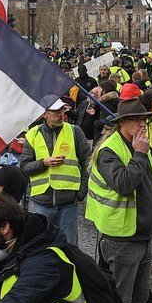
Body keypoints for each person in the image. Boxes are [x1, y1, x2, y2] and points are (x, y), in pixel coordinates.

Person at [85, 96, 152, 303]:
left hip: (141, 235)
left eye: (145, 119)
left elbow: (146, 183)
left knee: (139, 299)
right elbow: (123, 184)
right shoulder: (110, 150)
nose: (143, 124)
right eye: (136, 120)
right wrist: (141, 154)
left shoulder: (136, 145)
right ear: (122, 123)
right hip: (121, 238)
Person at [18, 99, 89, 244]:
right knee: (43, 247)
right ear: (45, 114)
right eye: (56, 111)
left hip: (69, 203)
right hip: (42, 203)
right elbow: (24, 167)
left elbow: (88, 164)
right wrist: (44, 163)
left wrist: (81, 193)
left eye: (62, 110)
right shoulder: (33, 134)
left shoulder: (75, 131)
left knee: (69, 248)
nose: (61, 114)